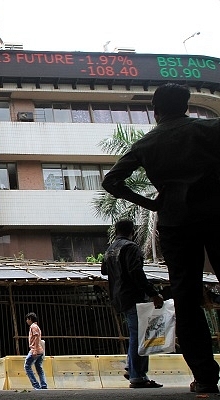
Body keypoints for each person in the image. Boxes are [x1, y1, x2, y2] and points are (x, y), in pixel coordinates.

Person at [102, 83, 220, 393]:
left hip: (175, 222)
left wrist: (152, 204)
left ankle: (206, 377)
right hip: (215, 213)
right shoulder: (210, 129)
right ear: (185, 104)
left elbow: (111, 180)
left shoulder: (147, 144)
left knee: (185, 295)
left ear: (155, 110)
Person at [101, 220, 164, 389]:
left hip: (118, 297)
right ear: (133, 231)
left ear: (116, 231)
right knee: (140, 336)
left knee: (135, 334)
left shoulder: (110, 249)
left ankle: (132, 368)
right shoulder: (131, 247)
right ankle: (138, 376)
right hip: (133, 296)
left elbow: (104, 271)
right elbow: (136, 272)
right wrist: (153, 293)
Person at [24, 312, 47, 390]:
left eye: (27, 319)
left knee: (27, 366)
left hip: (35, 349)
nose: (27, 321)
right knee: (39, 367)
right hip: (40, 350)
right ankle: (43, 385)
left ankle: (36, 386)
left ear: (30, 319)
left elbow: (37, 337)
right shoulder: (36, 326)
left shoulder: (33, 326)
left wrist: (34, 350)